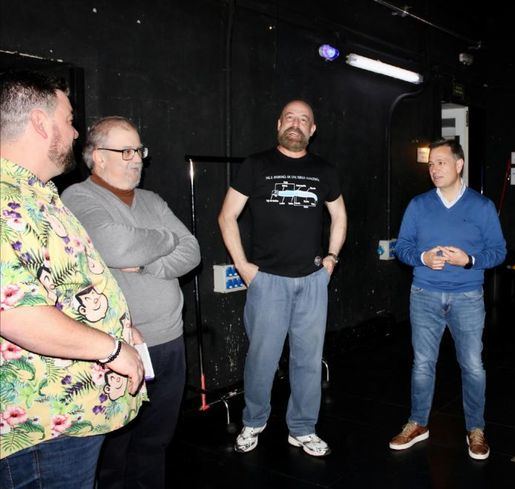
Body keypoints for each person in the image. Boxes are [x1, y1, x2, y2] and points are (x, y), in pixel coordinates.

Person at [0, 71, 145, 488]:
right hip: (42, 425)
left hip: (68, 415)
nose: (76, 131)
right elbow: (15, 314)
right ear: (40, 123)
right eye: (68, 120)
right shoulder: (7, 198)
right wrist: (110, 347)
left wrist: (118, 325)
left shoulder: (35, 191)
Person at [61, 116, 201, 489]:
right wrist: (166, 239)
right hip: (120, 348)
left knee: (154, 443)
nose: (137, 158)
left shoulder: (152, 200)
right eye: (125, 151)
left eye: (138, 150)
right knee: (114, 453)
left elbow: (192, 251)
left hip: (170, 341)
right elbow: (115, 245)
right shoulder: (79, 198)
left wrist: (148, 263)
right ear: (97, 156)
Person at [218, 100, 347, 457]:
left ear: (312, 129)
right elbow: (227, 216)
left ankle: (303, 428)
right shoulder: (256, 165)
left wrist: (332, 258)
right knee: (262, 358)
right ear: (279, 123)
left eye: (304, 119)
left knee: (308, 360)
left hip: (313, 281)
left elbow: (339, 216)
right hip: (268, 282)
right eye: (290, 117)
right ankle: (254, 421)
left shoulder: (324, 170)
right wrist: (243, 266)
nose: (296, 123)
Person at [390, 139, 506, 460]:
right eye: (431, 164)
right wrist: (423, 257)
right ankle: (418, 423)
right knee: (422, 364)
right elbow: (402, 247)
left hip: (467, 297)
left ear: (459, 164)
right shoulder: (418, 205)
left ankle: (476, 429)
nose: (434, 169)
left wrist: (470, 260)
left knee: (472, 366)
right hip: (424, 294)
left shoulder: (482, 207)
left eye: (441, 162)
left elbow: (498, 251)